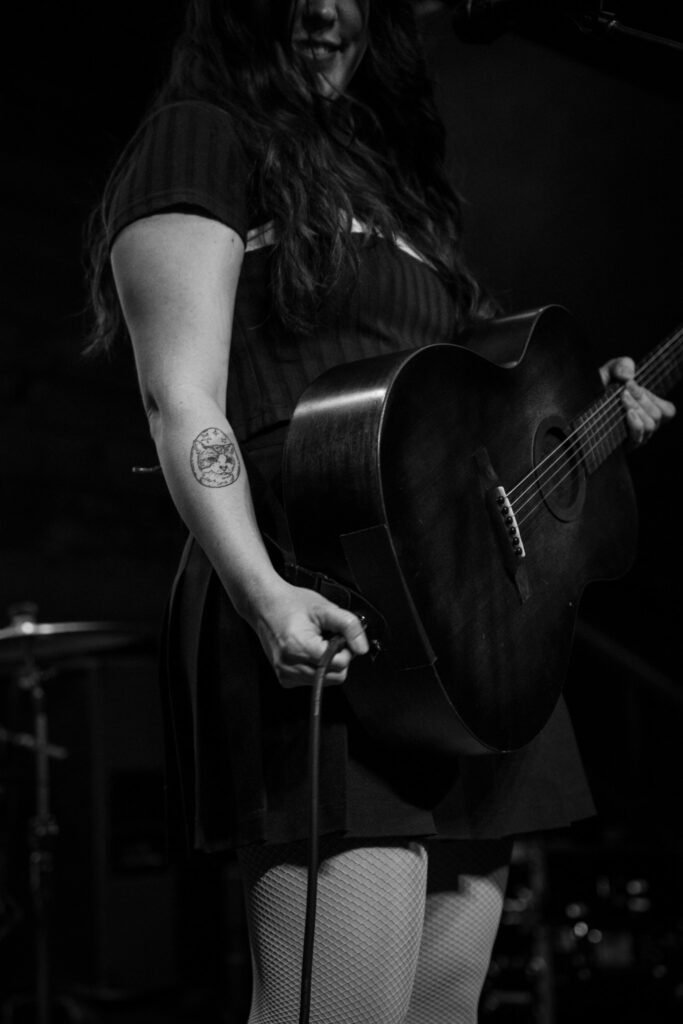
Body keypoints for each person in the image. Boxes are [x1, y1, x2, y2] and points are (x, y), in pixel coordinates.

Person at [87, 1, 676, 1021]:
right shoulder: (202, 135)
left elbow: (466, 417)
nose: (323, 6)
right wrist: (262, 591)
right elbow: (180, 395)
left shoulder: (392, 184)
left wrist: (584, 415)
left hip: (469, 624)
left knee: (440, 1005)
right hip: (322, 576)